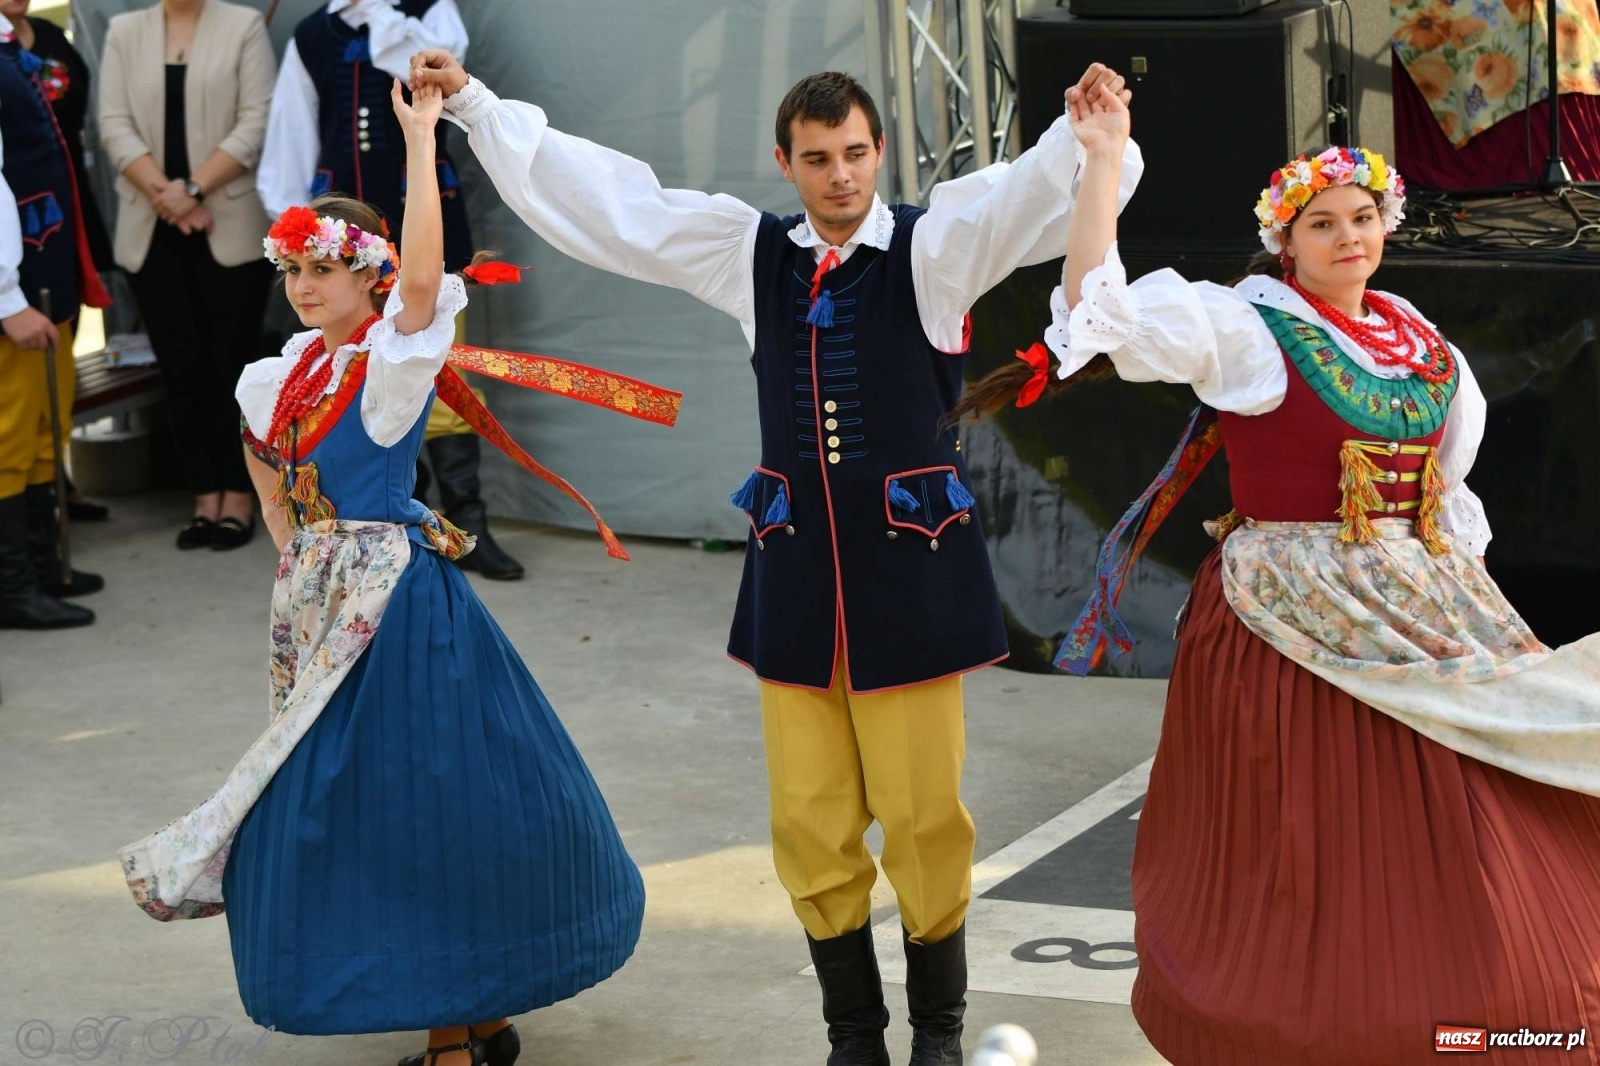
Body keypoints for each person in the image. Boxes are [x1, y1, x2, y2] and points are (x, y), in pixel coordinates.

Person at [409, 49, 1141, 1065]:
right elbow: (616, 202)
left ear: (879, 150)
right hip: (796, 581)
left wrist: (1087, 132)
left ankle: (937, 1027)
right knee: (807, 817)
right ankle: (853, 1036)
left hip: (912, 582)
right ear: (784, 162)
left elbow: (1035, 196)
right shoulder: (745, 253)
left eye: (854, 153)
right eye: (816, 157)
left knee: (925, 815)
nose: (840, 175)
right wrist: (479, 109)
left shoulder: (935, 249)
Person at [956, 82, 1600, 1065]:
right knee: (1314, 840)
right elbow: (1105, 312)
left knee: (1470, 816)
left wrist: (1447, 598)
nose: (1348, 238)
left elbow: (1448, 484)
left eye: (1362, 219)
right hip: (1288, 619)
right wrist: (1098, 165)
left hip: (1417, 601)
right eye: (1322, 224)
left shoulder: (1417, 339)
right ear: (1286, 243)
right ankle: (1311, 1021)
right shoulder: (1247, 327)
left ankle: (1464, 1006)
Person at [117, 80, 645, 1066]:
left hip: (405, 615)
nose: (307, 286)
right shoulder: (278, 375)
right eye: (297, 270)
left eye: (327, 270)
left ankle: (454, 1039)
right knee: (342, 808)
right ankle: (479, 1019)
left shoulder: (390, 369)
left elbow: (422, 280)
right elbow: (269, 485)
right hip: (324, 609)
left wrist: (414, 141)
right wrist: (304, 563)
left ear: (369, 281)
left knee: (430, 808)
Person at [257, 0, 524, 579]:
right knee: (352, 392)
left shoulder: (429, 15)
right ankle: (405, 518)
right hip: (337, 247)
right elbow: (291, 133)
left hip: (422, 225)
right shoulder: (311, 35)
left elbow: (426, 69)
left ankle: (468, 525)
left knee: (441, 377)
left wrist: (382, 16)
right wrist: (302, 246)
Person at [98, 0, 276, 550]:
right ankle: (203, 498)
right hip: (153, 230)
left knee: (234, 368)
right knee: (181, 369)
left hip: (228, 227)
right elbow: (113, 123)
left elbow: (256, 120)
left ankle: (241, 497)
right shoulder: (124, 30)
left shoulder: (242, 25)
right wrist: (168, 196)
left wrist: (193, 189)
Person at [0, 7, 112, 629]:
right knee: (9, 437)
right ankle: (12, 587)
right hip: (14, 287)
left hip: (41, 272)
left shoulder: (14, 44)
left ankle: (44, 565)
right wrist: (6, 298)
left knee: (45, 425)